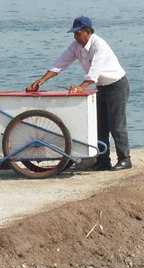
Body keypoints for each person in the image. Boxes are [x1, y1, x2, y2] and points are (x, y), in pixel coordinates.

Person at [27, 16, 131, 171]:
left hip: (116, 86)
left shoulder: (99, 45)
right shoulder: (76, 46)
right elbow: (60, 63)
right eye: (74, 34)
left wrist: (81, 87)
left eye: (78, 33)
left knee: (116, 125)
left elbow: (95, 71)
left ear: (88, 32)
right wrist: (41, 81)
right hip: (101, 88)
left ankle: (125, 159)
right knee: (100, 127)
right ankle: (103, 160)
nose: (75, 37)